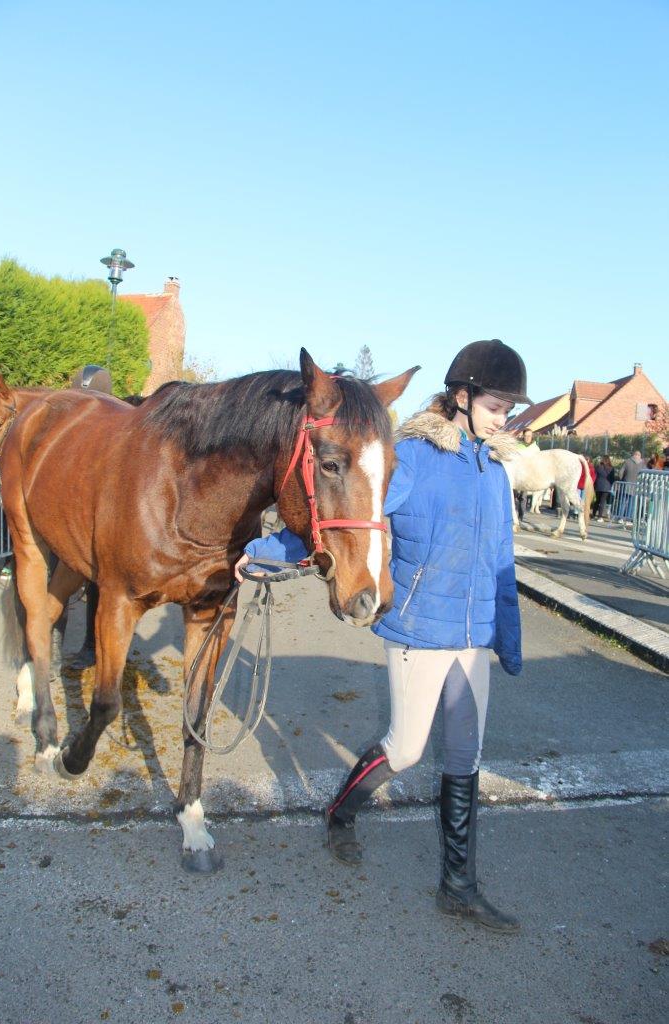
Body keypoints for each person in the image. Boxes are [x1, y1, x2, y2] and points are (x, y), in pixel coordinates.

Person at [236, 339, 531, 934]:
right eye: (498, 403)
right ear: (463, 396)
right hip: (420, 630)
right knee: (406, 748)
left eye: (509, 407)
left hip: (472, 637)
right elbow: (350, 515)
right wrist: (268, 553)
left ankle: (459, 886)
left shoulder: (495, 474)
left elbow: (503, 561)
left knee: (464, 758)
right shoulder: (415, 458)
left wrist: (509, 637)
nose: (506, 416)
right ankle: (340, 812)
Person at [514, 427, 540, 521]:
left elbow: (537, 463)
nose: (528, 437)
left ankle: (521, 516)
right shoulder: (518, 446)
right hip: (516, 474)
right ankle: (513, 515)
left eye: (530, 436)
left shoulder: (536, 448)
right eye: (526, 436)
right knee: (514, 496)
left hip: (527, 475)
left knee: (523, 497)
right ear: (523, 436)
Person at [619, 450, 644, 521]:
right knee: (631, 503)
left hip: (625, 484)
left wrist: (622, 480)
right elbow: (644, 474)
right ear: (640, 456)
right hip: (635, 486)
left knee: (623, 502)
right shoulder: (642, 464)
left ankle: (620, 518)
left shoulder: (627, 461)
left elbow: (621, 472)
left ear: (633, 455)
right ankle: (628, 519)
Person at [592, 455, 615, 520]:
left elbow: (595, 476)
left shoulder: (598, 467)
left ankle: (593, 515)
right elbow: (612, 478)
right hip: (607, 487)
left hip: (598, 486)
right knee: (602, 502)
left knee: (597, 501)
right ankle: (600, 516)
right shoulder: (611, 468)